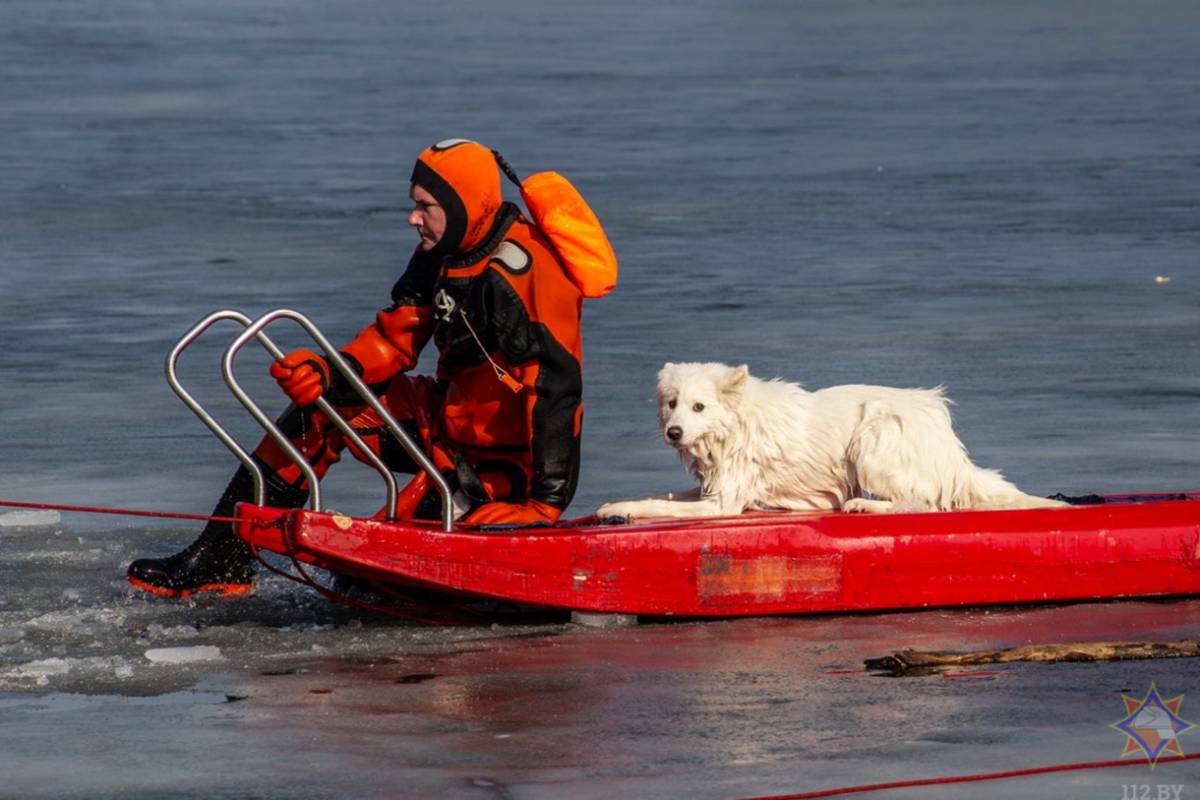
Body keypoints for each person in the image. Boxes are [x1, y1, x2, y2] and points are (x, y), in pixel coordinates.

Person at [127, 139, 589, 598]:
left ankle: (464, 511)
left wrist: (544, 503)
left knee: (374, 583)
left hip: (507, 462)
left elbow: (557, 390)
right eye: (414, 205)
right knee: (323, 408)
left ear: (464, 204)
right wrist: (329, 373)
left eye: (425, 207)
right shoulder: (444, 250)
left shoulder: (526, 274)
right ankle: (221, 559)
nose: (413, 218)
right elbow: (394, 339)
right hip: (445, 429)